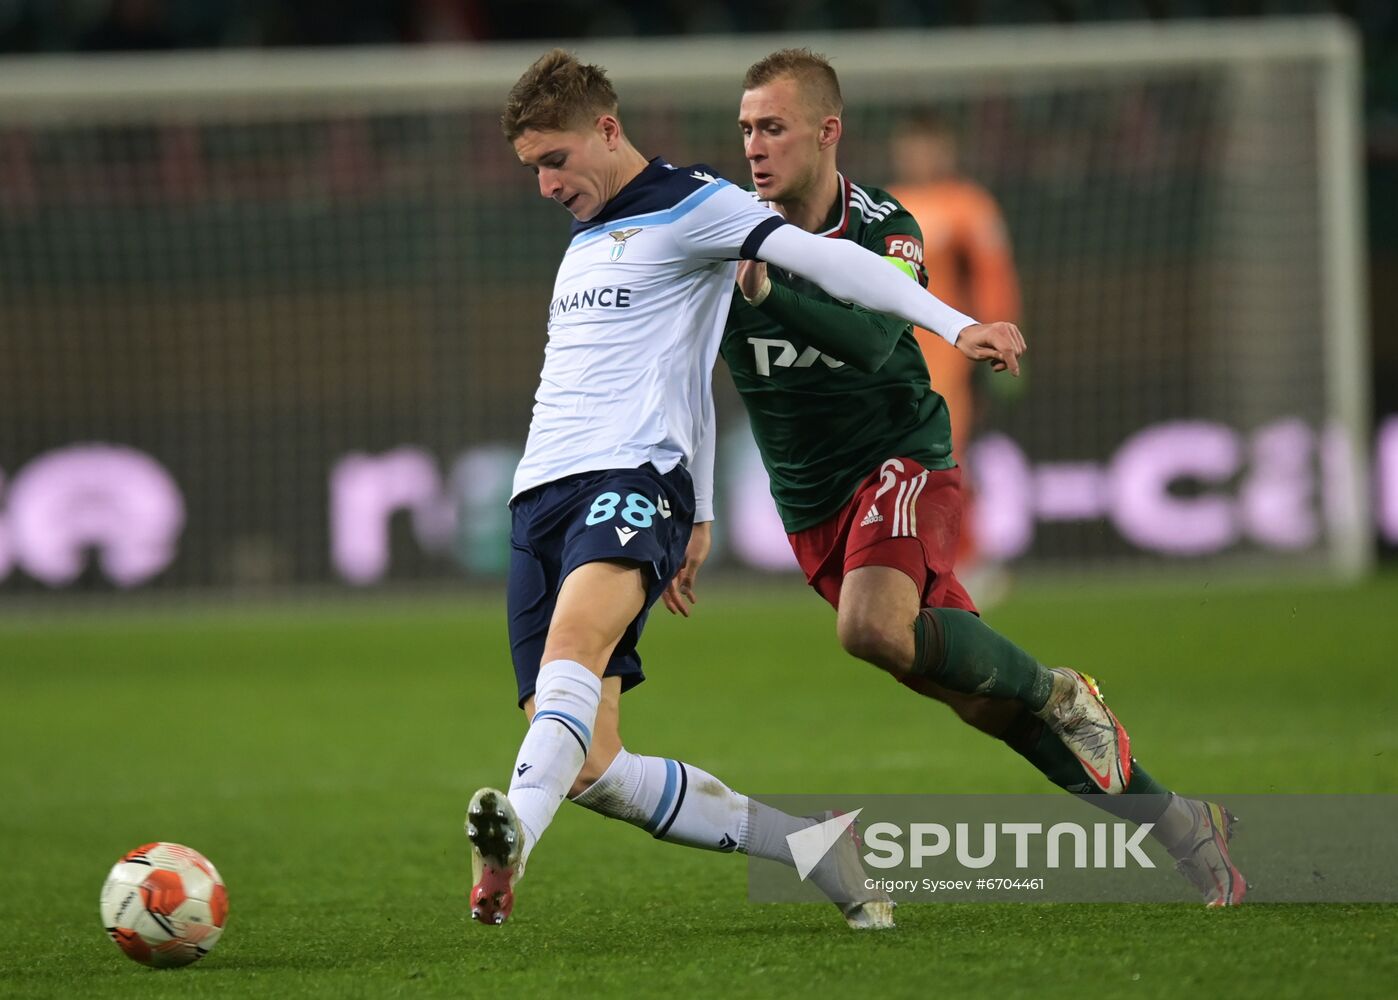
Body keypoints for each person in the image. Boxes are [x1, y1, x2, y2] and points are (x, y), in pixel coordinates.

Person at [466, 48, 1029, 929]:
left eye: (554, 161)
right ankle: (814, 848)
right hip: (539, 495)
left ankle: (508, 852)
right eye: (532, 168)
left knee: (576, 644)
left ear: (606, 130)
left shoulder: (696, 203)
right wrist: (705, 515)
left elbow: (839, 267)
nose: (544, 184)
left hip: (628, 479)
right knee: (589, 767)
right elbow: (687, 374)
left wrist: (955, 325)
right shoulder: (586, 240)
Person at [717, 48, 1245, 906]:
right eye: (745, 129)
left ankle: (1058, 687)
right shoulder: (725, 233)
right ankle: (1182, 823)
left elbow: (873, 341)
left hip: (901, 460)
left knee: (871, 629)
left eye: (772, 127)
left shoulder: (889, 227)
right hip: (810, 503)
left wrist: (769, 292)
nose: (754, 147)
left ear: (827, 131)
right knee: (980, 702)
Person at [888, 113, 1023, 593]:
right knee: (895, 465)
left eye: (928, 146)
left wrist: (1000, 336)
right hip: (891, 356)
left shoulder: (968, 205)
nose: (919, 156)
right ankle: (908, 562)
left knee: (947, 458)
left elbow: (992, 275)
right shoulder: (884, 205)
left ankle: (970, 559)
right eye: (911, 146)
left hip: (947, 357)